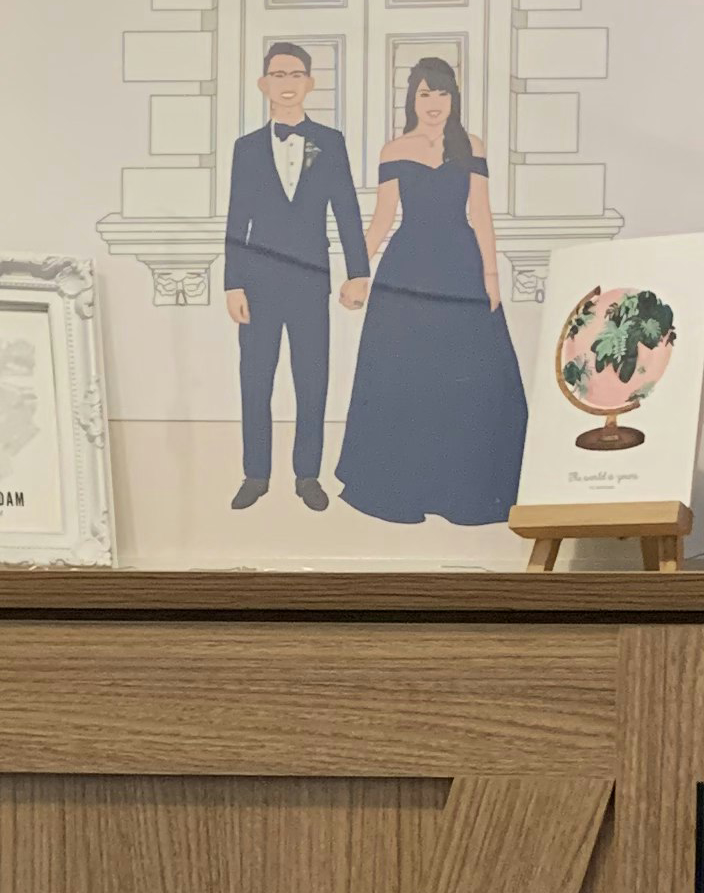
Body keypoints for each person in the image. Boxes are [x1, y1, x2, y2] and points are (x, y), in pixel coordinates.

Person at [335, 56, 528, 527]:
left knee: (471, 377)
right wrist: (356, 272)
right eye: (425, 93)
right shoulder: (394, 149)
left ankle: (468, 494)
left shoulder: (472, 145)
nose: (434, 103)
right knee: (405, 377)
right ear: (412, 99)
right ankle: (401, 491)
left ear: (453, 98)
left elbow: (480, 213)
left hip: (461, 267)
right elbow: (382, 220)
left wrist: (491, 278)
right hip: (407, 271)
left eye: (441, 92)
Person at [221, 39, 368, 510]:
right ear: (263, 84)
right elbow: (236, 218)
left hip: (309, 279)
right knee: (255, 379)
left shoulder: (331, 142)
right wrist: (233, 281)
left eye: (295, 75)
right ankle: (255, 474)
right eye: (277, 76)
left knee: (312, 378)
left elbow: (346, 210)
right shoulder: (245, 149)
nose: (287, 84)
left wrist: (358, 272)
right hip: (258, 283)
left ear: (310, 83)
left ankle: (308, 475)